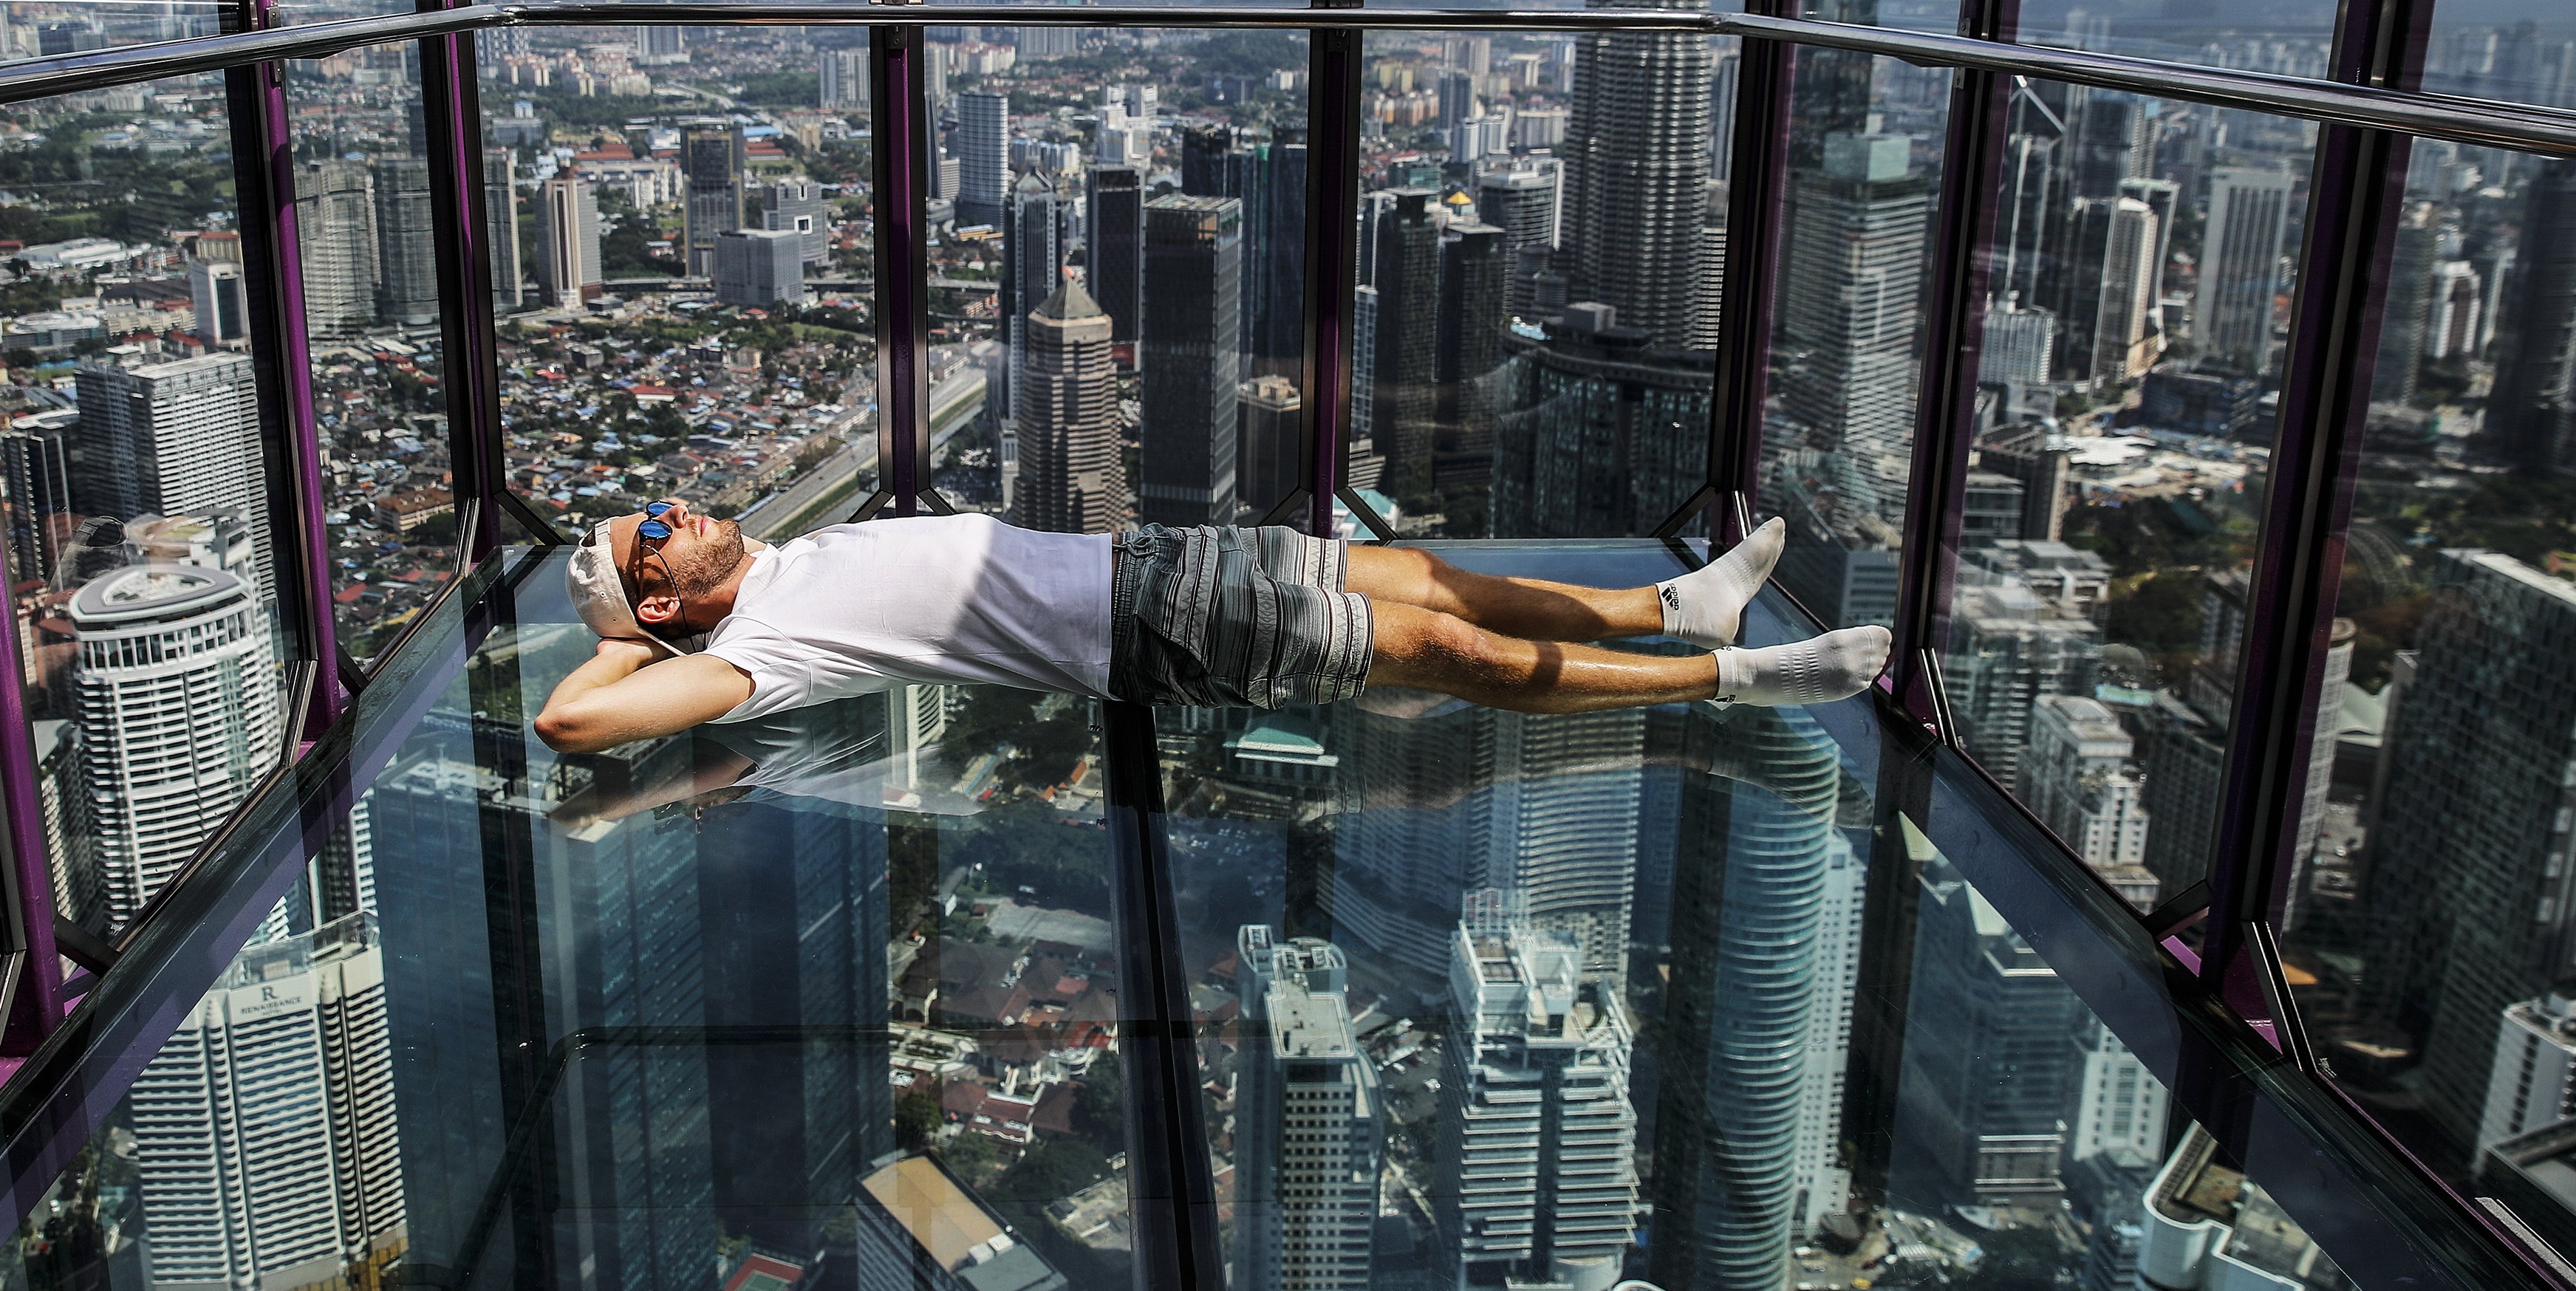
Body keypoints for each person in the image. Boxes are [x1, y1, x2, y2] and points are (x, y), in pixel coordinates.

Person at [533, 501, 1892, 758]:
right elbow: (570, 719)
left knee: (1416, 574)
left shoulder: (787, 548)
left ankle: (1666, 604)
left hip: (1165, 560)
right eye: (649, 535)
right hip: (1148, 636)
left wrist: (636, 600)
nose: (676, 508)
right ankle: (1741, 678)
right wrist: (635, 642)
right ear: (662, 600)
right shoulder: (754, 649)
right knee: (1440, 654)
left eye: (658, 502)